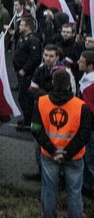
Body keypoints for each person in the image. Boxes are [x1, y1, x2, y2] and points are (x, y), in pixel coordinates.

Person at [32, 69, 92, 218]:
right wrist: (68, 152)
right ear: (68, 85)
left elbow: (36, 129)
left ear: (53, 83)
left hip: (49, 154)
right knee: (74, 191)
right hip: (74, 156)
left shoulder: (41, 102)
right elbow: (84, 134)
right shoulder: (81, 106)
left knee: (48, 189)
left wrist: (53, 150)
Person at [13, 16, 42, 130]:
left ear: (28, 27)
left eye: (21, 25)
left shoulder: (33, 40)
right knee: (22, 97)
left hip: (28, 74)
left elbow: (35, 58)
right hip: (20, 73)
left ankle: (29, 121)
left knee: (25, 98)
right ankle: (26, 119)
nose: (19, 27)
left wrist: (24, 69)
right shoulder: (22, 38)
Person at [78, 50, 94, 198]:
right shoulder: (86, 80)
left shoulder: (90, 86)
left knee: (90, 160)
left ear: (90, 66)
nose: (78, 63)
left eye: (81, 62)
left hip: (90, 128)